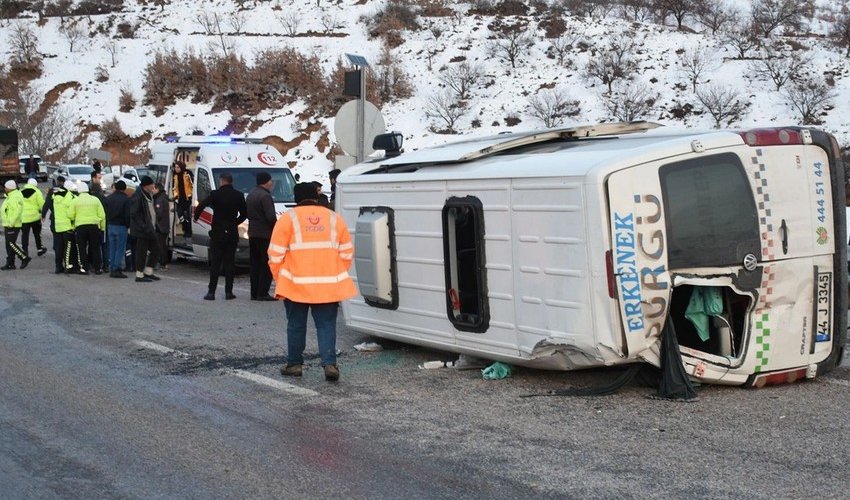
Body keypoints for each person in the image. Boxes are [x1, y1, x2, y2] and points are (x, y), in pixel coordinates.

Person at [270, 182, 356, 382]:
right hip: (328, 286)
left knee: (296, 325)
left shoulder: (287, 219)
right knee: (326, 325)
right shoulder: (335, 219)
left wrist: (280, 278)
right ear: (316, 198)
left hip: (295, 285)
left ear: (296, 199)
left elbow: (274, 255)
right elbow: (346, 253)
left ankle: (294, 364)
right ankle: (329, 364)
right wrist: (334, 272)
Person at [194, 172, 247, 300]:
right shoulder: (239, 195)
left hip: (217, 232)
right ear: (231, 181)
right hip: (231, 233)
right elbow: (244, 214)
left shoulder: (215, 194)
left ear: (222, 181)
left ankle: (211, 292)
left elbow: (201, 205)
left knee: (216, 263)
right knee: (230, 263)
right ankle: (229, 292)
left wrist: (196, 217)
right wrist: (234, 223)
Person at [246, 172, 277, 301]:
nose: (272, 183)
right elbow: (270, 216)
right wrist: (277, 228)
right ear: (266, 181)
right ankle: (263, 292)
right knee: (266, 264)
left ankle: (254, 292)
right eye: (271, 181)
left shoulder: (251, 194)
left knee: (255, 264)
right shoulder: (265, 196)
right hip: (265, 234)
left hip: (253, 233)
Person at [68, 182, 106, 275]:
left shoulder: (75, 201)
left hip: (80, 227)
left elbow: (70, 215)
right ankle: (98, 268)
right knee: (95, 248)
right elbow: (102, 215)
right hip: (94, 226)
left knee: (81, 248)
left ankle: (84, 268)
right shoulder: (95, 200)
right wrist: (102, 228)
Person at [129, 176, 161, 283]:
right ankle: (139, 274)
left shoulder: (148, 195)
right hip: (142, 230)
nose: (153, 186)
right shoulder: (138, 196)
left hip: (150, 228)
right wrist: (143, 226)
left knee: (156, 248)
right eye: (152, 184)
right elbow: (134, 214)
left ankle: (148, 271)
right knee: (141, 252)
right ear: (146, 186)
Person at [42, 176, 70, 273]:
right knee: (67, 245)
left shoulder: (52, 191)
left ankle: (58, 266)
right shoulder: (67, 192)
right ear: (63, 182)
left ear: (57, 182)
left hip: (55, 219)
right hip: (66, 222)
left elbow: (47, 203)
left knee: (57, 243)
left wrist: (43, 214)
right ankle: (67, 265)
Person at [1, 180, 31, 270]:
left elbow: (16, 212)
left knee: (11, 244)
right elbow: (5, 210)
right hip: (8, 223)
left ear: (9, 188)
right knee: (9, 245)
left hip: (12, 225)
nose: (4, 188)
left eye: (6, 187)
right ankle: (10, 263)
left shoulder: (15, 197)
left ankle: (24, 257)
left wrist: (11, 223)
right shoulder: (10, 196)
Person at [104, 180, 131, 278]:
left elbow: (105, 212)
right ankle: (116, 268)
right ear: (124, 189)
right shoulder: (126, 199)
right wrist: (128, 225)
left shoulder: (109, 198)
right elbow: (128, 215)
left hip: (111, 225)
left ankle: (112, 267)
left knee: (112, 248)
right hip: (121, 226)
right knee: (120, 249)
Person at [20, 178, 47, 256]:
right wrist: (42, 212)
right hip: (35, 217)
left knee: (25, 235)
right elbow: (41, 204)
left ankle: (25, 252)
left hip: (24, 218)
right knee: (37, 234)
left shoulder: (20, 192)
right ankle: (39, 249)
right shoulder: (37, 191)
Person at [89, 170, 109, 273]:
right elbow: (104, 212)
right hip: (101, 224)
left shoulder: (90, 196)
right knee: (104, 246)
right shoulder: (101, 197)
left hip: (91, 224)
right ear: (93, 178)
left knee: (94, 246)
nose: (100, 180)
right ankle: (105, 265)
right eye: (99, 178)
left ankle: (93, 263)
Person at [172, 161, 193, 242]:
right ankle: (185, 227)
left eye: (178, 167)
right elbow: (174, 187)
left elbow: (192, 184)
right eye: (175, 167)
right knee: (180, 214)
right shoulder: (175, 176)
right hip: (180, 199)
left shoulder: (187, 174)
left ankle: (188, 231)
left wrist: (192, 195)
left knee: (188, 215)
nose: (176, 169)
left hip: (188, 198)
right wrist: (175, 196)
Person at [152, 182, 170, 271]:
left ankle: (163, 263)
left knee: (160, 246)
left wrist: (155, 222)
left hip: (160, 226)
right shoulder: (164, 197)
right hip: (165, 225)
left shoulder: (159, 199)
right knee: (163, 245)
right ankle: (164, 263)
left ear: (157, 189)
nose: (152, 190)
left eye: (153, 189)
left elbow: (158, 213)